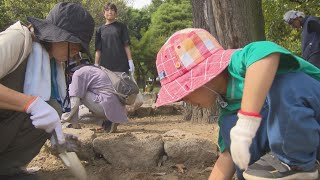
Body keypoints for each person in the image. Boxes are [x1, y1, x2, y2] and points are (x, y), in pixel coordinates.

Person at [155, 28, 320, 180]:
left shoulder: (238, 64)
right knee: (232, 132)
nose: (184, 100)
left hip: (312, 122)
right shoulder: (227, 107)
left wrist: (247, 122)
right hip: (296, 143)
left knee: (284, 83)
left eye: (183, 92)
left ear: (203, 76)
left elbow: (264, 51)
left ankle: (295, 164)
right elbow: (227, 156)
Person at [0, 2, 94, 179]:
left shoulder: (50, 65)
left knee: (51, 107)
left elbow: (39, 112)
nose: (76, 52)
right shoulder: (18, 39)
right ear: (56, 35)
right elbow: (30, 105)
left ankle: (6, 170)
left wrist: (54, 134)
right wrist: (30, 104)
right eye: (74, 43)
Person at [61, 65, 128, 133]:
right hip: (119, 108)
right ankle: (107, 122)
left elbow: (75, 103)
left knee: (79, 93)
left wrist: (68, 121)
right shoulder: (94, 70)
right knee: (81, 112)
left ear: (70, 73)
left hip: (105, 105)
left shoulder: (77, 74)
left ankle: (107, 120)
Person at [95, 2, 135, 76]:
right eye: (107, 10)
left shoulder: (122, 27)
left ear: (116, 13)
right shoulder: (99, 30)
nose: (109, 12)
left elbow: (126, 45)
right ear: (104, 13)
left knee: (121, 87)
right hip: (105, 67)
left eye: (112, 10)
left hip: (121, 66)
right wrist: (96, 64)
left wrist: (130, 61)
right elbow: (98, 50)